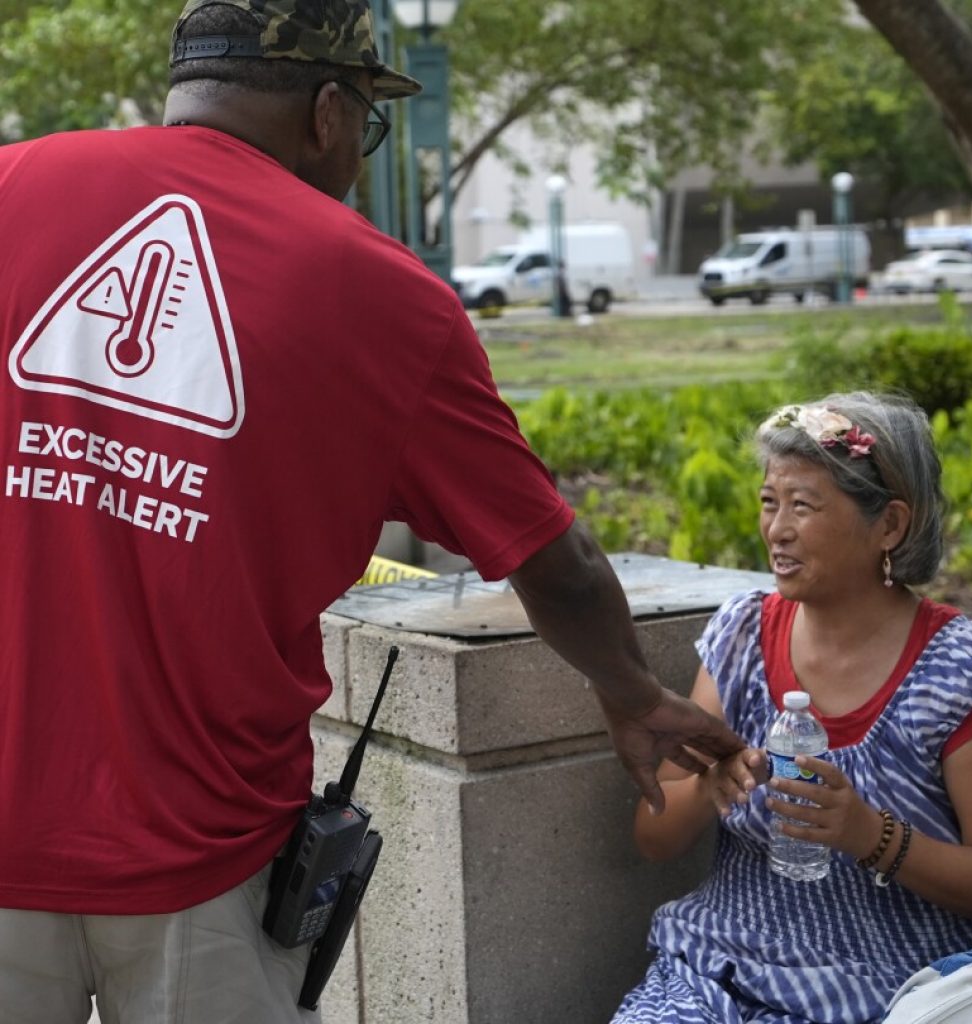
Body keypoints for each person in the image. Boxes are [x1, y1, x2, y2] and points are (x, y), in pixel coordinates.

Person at [0, 2, 743, 1022]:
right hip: (202, 851)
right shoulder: (382, 295)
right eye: (366, 124)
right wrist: (628, 690)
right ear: (328, 112)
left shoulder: (11, 187)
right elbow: (550, 554)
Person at [611, 392, 972, 1024]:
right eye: (770, 502)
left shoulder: (962, 670)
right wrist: (710, 787)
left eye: (804, 506)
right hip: (711, 975)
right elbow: (653, 834)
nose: (777, 529)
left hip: (884, 993)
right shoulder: (743, 634)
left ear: (889, 525)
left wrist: (870, 835)